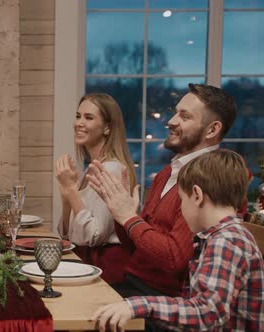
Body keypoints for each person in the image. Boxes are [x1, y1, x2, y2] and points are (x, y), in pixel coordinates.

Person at [87, 83, 238, 298]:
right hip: (133, 283)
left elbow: (174, 260)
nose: (171, 121)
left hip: (163, 299)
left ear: (212, 130)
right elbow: (136, 246)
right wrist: (119, 211)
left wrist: (129, 217)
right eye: (175, 113)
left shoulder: (212, 179)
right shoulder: (167, 173)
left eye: (184, 117)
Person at [92, 150, 264, 332]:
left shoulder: (227, 241)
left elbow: (206, 313)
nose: (181, 207)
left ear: (197, 195)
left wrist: (135, 306)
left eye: (182, 200)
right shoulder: (220, 237)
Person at [55, 93, 136, 284]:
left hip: (105, 273)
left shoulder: (111, 170)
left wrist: (72, 191)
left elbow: (93, 236)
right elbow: (66, 234)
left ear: (107, 128)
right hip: (84, 263)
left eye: (88, 118)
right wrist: (67, 194)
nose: (79, 123)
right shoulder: (90, 170)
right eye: (78, 116)